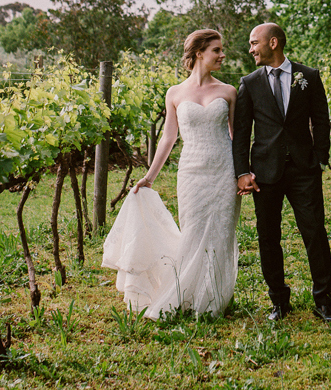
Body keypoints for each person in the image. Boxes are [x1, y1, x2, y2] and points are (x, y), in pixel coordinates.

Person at [101, 29, 240, 318]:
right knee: (192, 232)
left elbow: (236, 136)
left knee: (220, 234)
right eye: (217, 50)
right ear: (199, 52)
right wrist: (149, 177)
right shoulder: (175, 93)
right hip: (191, 172)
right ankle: (184, 295)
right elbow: (168, 138)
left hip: (224, 170)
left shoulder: (228, 91)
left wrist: (243, 173)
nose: (222, 55)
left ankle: (213, 298)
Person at [233, 23, 331, 322]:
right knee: (268, 237)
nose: (251, 49)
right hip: (265, 172)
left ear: (274, 43)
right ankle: (279, 301)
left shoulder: (309, 76)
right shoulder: (249, 83)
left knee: (315, 233)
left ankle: (323, 302)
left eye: (255, 43)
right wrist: (242, 171)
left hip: (304, 169)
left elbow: (321, 120)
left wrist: (319, 157)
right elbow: (241, 132)